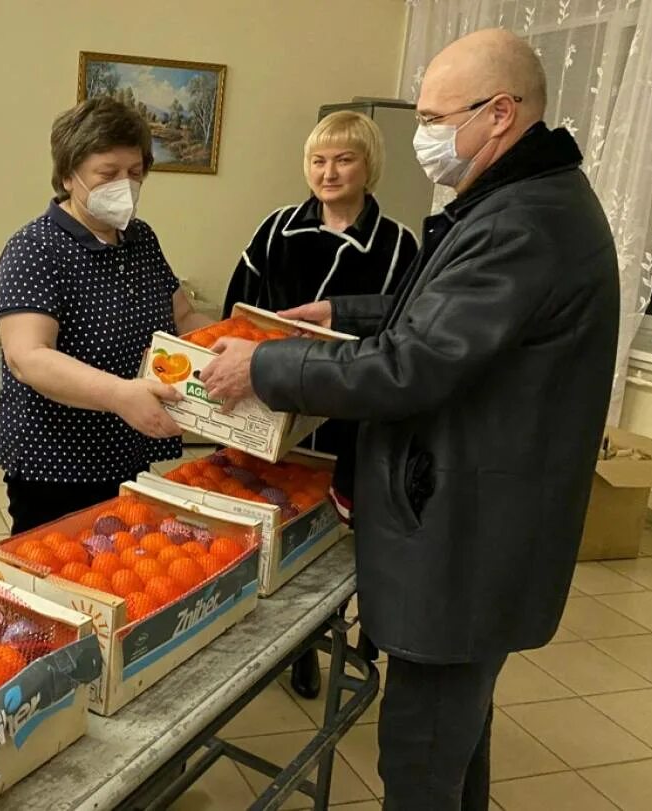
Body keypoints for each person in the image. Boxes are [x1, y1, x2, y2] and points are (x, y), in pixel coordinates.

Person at [200, 29, 618, 810]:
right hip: (484, 526)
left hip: (467, 538)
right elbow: (434, 309)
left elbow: (412, 364)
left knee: (422, 755)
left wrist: (262, 367)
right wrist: (340, 309)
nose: (424, 136)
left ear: (500, 113)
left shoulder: (524, 221)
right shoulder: (519, 198)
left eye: (434, 118)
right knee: (457, 740)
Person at [223, 111, 417, 700]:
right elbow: (240, 311)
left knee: (326, 534)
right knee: (267, 519)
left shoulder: (399, 244)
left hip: (345, 416)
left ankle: (317, 637)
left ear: (369, 166)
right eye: (318, 160)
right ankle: (279, 641)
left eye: (344, 159)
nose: (328, 172)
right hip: (269, 403)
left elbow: (400, 334)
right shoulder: (277, 229)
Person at [0, 97, 211, 534]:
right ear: (69, 175)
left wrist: (241, 351)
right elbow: (28, 356)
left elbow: (183, 318)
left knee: (123, 571)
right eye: (108, 174)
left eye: (135, 173)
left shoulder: (140, 240)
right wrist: (118, 395)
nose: (124, 186)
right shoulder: (36, 248)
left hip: (128, 449)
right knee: (64, 576)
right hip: (56, 464)